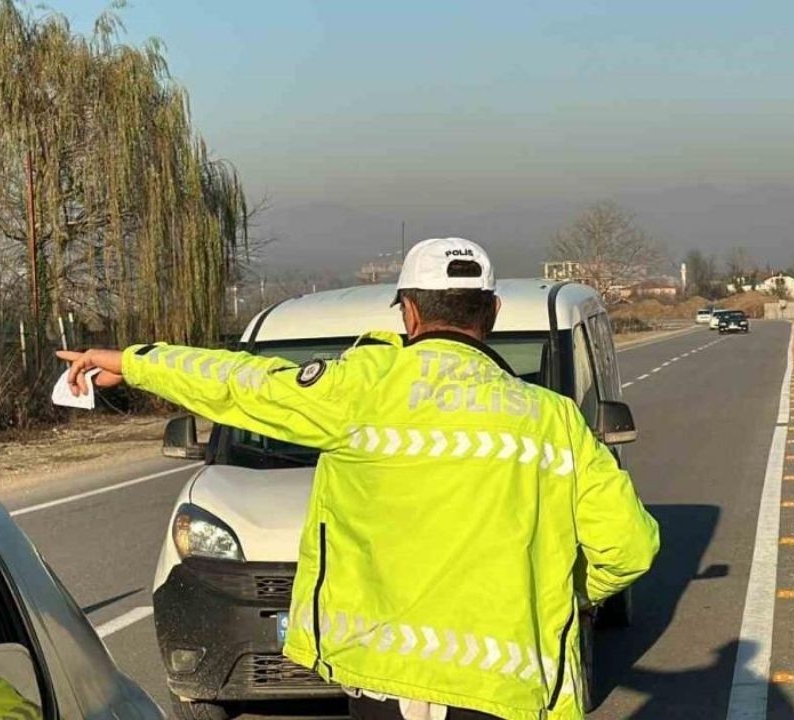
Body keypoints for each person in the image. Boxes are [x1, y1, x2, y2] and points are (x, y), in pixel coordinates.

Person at [57, 237, 659, 720]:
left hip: (386, 682)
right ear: (493, 312)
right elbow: (628, 547)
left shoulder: (361, 391)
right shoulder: (551, 421)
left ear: (410, 311)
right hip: (510, 687)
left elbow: (240, 383)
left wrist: (133, 362)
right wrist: (568, 594)